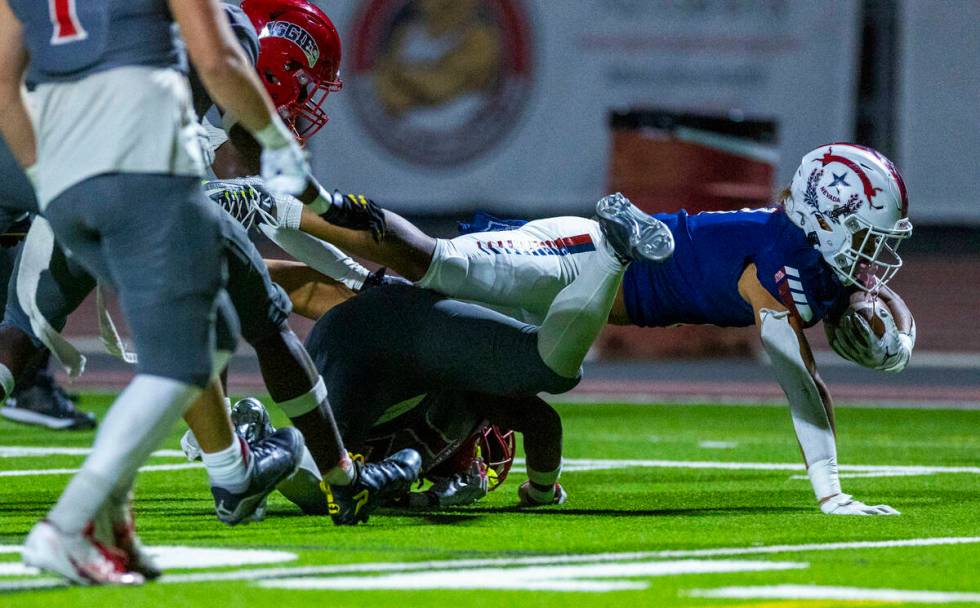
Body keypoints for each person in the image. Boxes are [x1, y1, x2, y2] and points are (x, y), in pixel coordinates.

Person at [226, 143, 917, 516]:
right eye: (869, 236)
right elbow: (793, 367)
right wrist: (829, 488)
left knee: (391, 293)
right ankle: (276, 207)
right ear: (832, 214)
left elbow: (832, 316)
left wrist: (859, 316)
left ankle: (260, 232)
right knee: (432, 264)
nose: (875, 255)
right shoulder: (786, 256)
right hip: (576, 258)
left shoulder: (811, 263)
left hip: (570, 300)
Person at [0, 0, 315, 585]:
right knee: (190, 345)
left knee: (209, 327)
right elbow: (219, 62)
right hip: (127, 161)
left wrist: (46, 177)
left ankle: (122, 514)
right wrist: (279, 143)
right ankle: (70, 526)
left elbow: (2, 85)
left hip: (53, 166)